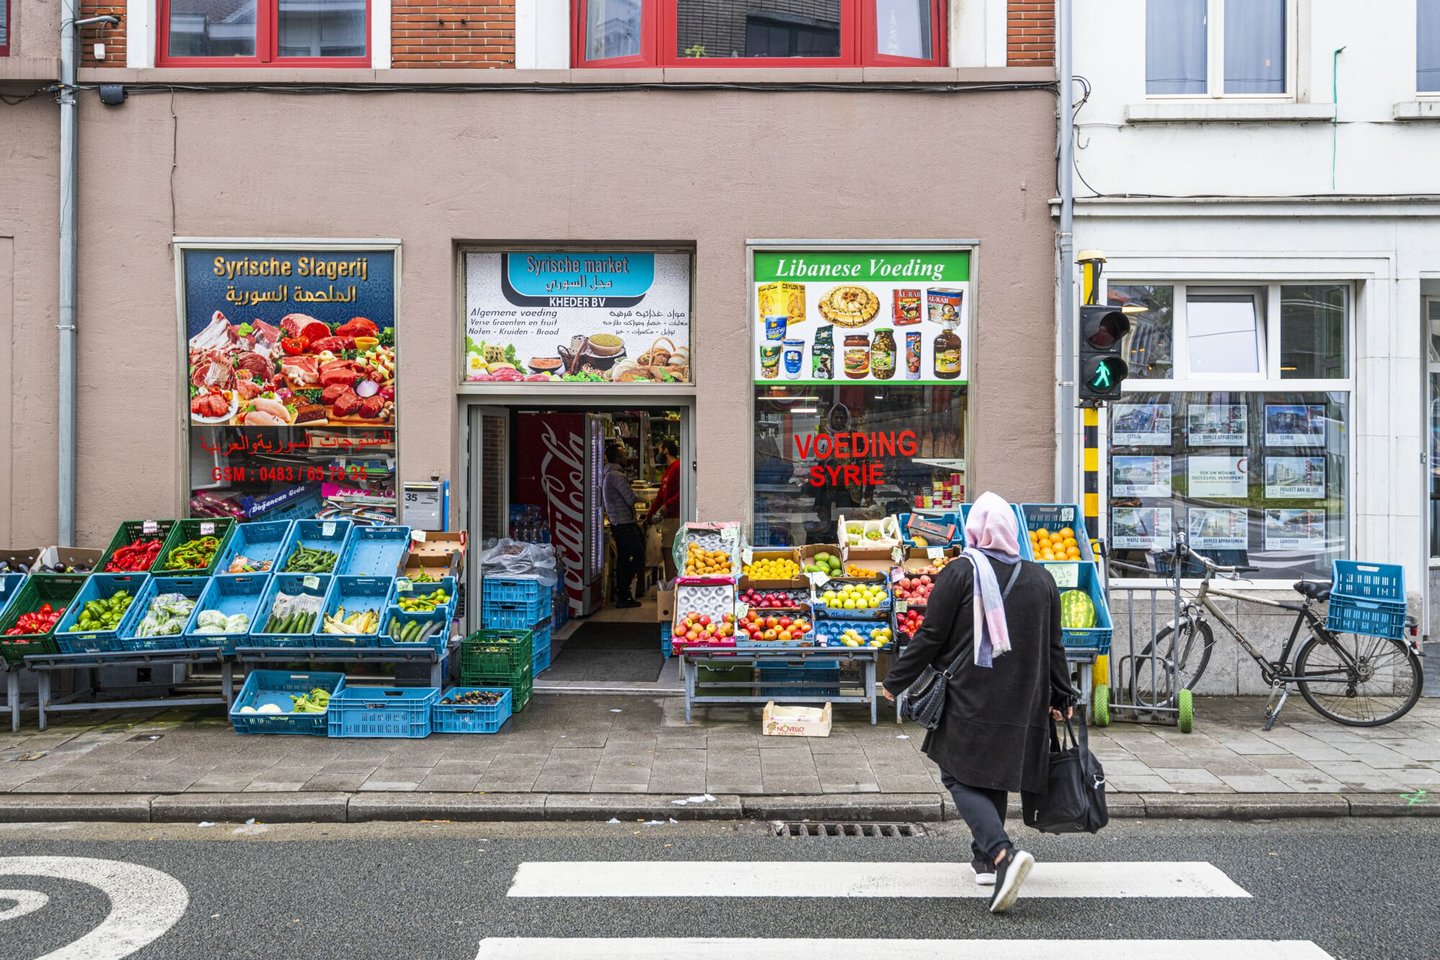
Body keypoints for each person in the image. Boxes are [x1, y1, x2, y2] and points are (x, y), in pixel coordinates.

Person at [881, 492, 1077, 915]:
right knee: (993, 774)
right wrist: (1062, 695)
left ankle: (1002, 854)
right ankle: (984, 859)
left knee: (955, 772)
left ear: (976, 530)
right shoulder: (1041, 579)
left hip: (971, 694)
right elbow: (1054, 646)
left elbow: (931, 635)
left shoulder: (960, 572)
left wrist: (896, 680)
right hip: (1023, 696)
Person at [601, 441, 644, 608]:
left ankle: (623, 596)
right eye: (623, 455)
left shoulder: (609, 474)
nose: (626, 458)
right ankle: (624, 589)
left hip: (617, 523)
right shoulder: (616, 476)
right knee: (639, 556)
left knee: (623, 559)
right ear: (617, 458)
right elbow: (630, 498)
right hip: (624, 524)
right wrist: (642, 498)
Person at [643, 437, 682, 581]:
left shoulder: (678, 467)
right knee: (666, 552)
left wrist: (668, 505)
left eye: (660, 450)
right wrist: (649, 515)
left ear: (665, 450)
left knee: (669, 551)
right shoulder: (668, 471)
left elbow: (682, 491)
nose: (659, 453)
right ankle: (670, 583)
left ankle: (672, 584)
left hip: (675, 518)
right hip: (668, 518)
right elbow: (660, 495)